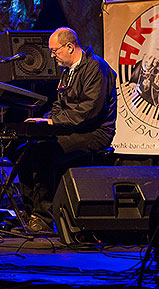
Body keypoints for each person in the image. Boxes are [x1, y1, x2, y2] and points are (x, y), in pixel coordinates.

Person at [18, 27, 117, 234]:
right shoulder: (67, 72)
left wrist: (54, 123)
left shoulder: (96, 68)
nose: (52, 56)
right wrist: (46, 120)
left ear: (70, 47)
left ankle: (44, 217)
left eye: (55, 51)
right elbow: (58, 105)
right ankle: (30, 213)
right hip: (73, 129)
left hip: (95, 133)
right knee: (23, 152)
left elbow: (88, 112)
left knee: (43, 154)